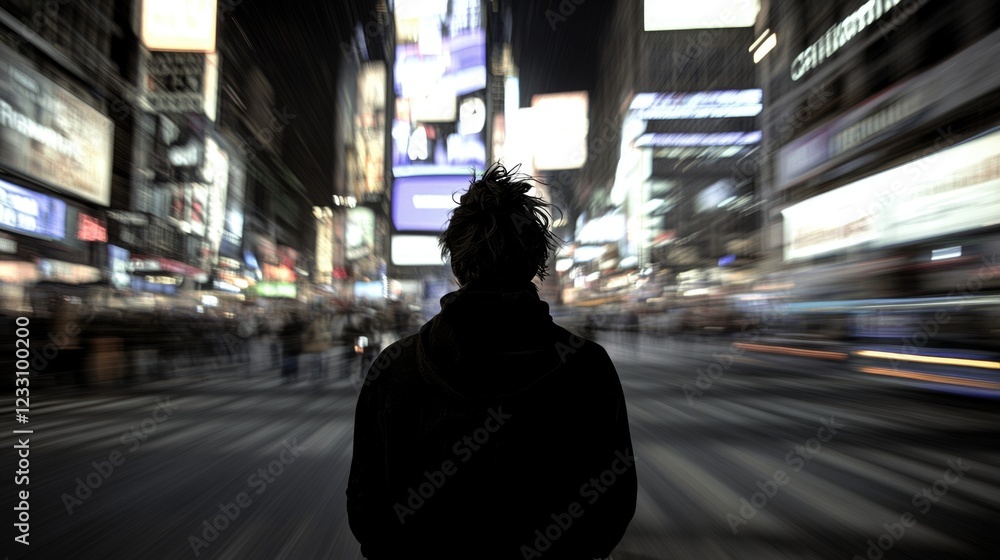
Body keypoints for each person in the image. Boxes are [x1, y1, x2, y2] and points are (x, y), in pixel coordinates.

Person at [347, 163, 637, 559]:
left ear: (456, 263)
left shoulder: (394, 368)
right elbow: (613, 506)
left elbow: (367, 511)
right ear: (537, 262)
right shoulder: (588, 368)